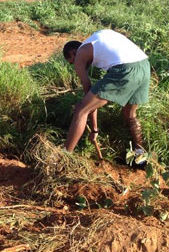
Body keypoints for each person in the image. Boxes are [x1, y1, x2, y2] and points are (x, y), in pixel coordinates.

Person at [63, 29, 150, 167]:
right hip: (144, 66)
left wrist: (95, 129)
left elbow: (88, 97)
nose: (75, 66)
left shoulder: (80, 53)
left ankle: (64, 157)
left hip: (126, 69)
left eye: (71, 62)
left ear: (72, 53)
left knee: (81, 110)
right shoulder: (96, 40)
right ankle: (142, 158)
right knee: (130, 115)